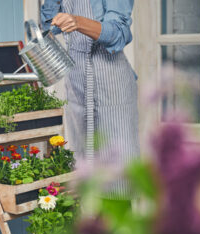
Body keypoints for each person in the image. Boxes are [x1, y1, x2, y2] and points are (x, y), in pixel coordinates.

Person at [41, 0, 139, 200]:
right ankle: (91, 229)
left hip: (110, 84)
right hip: (77, 83)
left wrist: (77, 22)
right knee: (83, 173)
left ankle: (118, 228)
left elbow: (119, 33)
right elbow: (47, 24)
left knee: (116, 175)